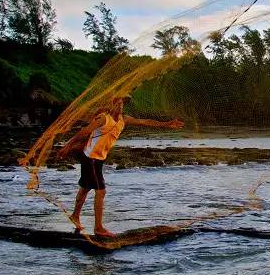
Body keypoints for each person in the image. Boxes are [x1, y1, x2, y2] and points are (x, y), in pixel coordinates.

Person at [57, 96, 184, 237]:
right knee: (101, 191)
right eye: (117, 104)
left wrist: (167, 124)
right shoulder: (103, 118)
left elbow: (145, 121)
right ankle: (98, 227)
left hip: (98, 159)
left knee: (85, 188)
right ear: (111, 106)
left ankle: (75, 215)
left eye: (122, 104)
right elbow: (84, 132)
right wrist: (67, 146)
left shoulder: (124, 119)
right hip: (91, 158)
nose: (120, 107)